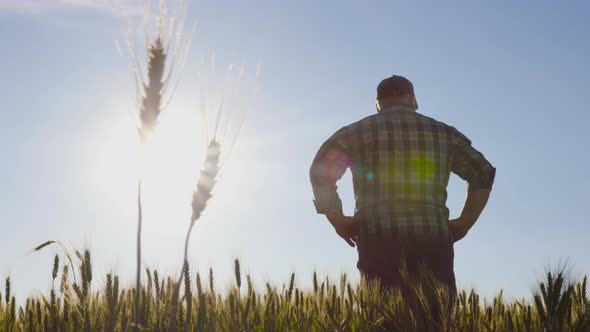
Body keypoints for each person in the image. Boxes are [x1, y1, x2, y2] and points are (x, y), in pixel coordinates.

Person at [309, 75, 495, 297]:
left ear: (378, 104)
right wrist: (464, 223)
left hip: (377, 238)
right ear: (413, 101)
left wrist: (337, 219)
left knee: (383, 317)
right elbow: (482, 171)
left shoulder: (354, 133)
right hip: (433, 240)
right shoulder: (444, 134)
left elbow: (321, 171)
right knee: (435, 319)